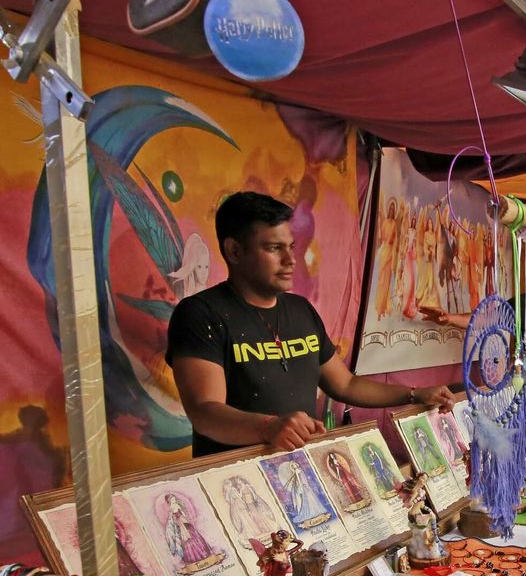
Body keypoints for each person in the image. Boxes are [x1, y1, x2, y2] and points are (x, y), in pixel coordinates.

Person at [168, 192, 454, 458]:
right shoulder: (200, 314)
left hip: (301, 470)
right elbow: (204, 412)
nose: (290, 259)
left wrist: (414, 394)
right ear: (234, 251)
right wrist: (268, 428)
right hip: (234, 481)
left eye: (291, 247)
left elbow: (346, 384)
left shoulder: (300, 310)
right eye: (273, 248)